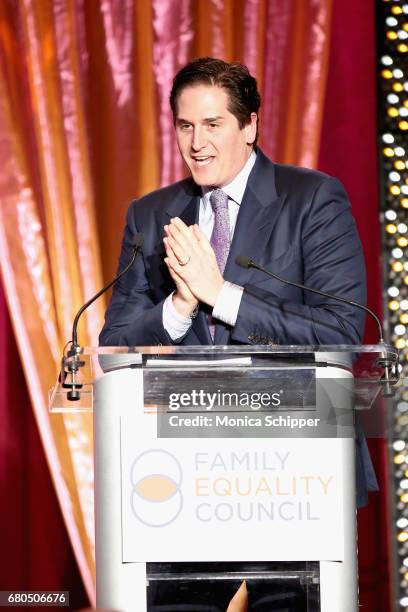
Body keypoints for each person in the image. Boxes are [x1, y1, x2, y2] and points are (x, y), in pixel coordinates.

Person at [100, 57, 376, 610]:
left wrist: (222, 295)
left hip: (295, 472)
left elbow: (342, 330)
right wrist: (180, 304)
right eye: (185, 125)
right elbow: (116, 341)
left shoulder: (312, 199)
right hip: (179, 475)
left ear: (249, 125)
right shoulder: (151, 215)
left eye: (213, 124)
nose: (196, 142)